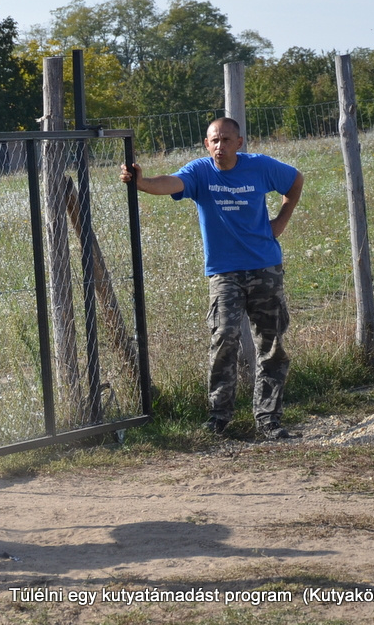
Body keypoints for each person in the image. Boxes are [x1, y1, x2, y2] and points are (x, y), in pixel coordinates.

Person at [120, 117, 304, 440]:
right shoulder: (200, 172)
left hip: (265, 267)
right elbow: (170, 183)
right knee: (224, 338)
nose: (220, 146)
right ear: (207, 144)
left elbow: (295, 180)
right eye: (214, 141)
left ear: (240, 142)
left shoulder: (259, 167)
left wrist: (281, 222)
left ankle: (269, 419)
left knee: (271, 345)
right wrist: (142, 182)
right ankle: (219, 416)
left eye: (226, 140)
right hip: (225, 272)